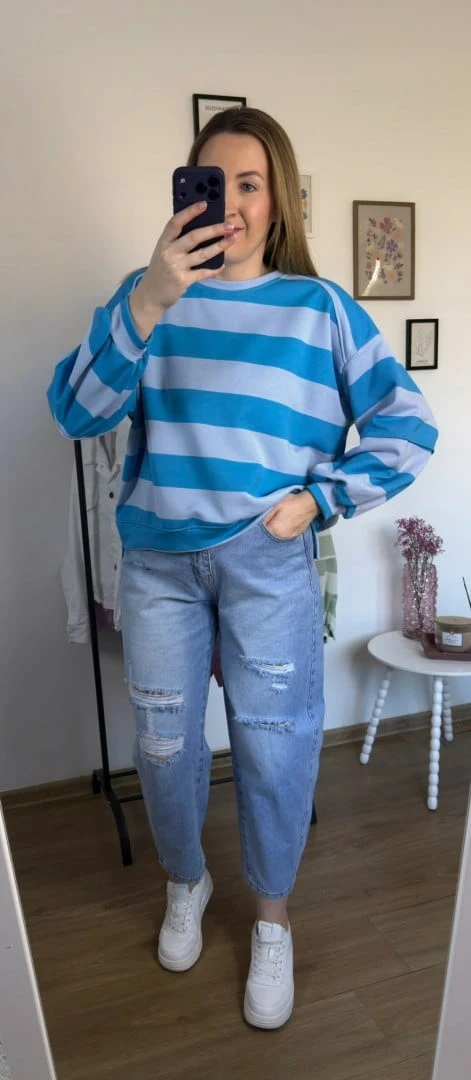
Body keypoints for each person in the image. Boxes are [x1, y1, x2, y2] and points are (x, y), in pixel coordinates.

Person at [47, 107, 438, 1030]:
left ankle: (270, 920)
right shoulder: (146, 298)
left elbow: (407, 425)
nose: (228, 202)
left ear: (278, 201)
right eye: (211, 182)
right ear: (185, 193)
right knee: (164, 746)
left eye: (250, 184)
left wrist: (319, 500)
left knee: (274, 744)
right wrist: (148, 300)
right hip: (158, 563)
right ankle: (186, 882)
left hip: (267, 561)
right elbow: (74, 412)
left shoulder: (320, 308)